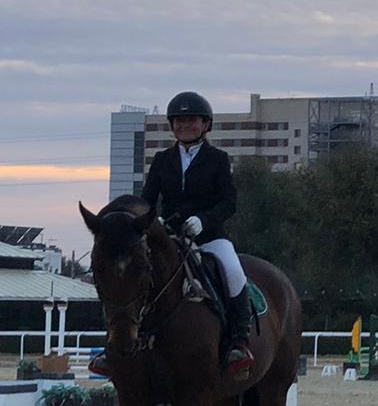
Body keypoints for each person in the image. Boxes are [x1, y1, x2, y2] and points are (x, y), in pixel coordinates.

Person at [89, 92, 254, 381]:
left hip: (208, 235)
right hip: (167, 234)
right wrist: (155, 219)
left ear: (205, 125)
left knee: (233, 271)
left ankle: (238, 343)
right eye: (178, 120)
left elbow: (229, 202)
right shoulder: (163, 159)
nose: (184, 125)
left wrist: (203, 221)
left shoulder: (217, 159)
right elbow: (147, 200)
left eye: (191, 120)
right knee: (127, 277)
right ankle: (113, 345)